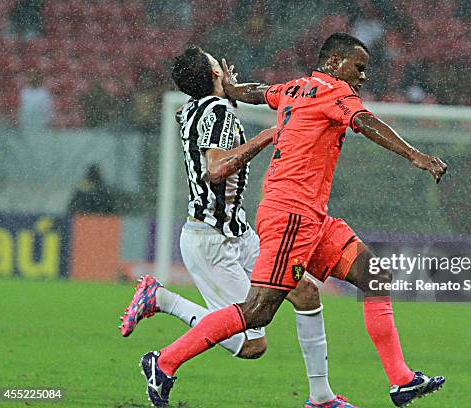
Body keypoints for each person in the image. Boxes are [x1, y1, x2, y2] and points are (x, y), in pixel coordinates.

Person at [139, 33, 448, 407]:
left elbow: (259, 92)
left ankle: (399, 380)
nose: (363, 76)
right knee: (257, 311)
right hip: (291, 215)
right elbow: (364, 121)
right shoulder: (336, 91)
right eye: (360, 67)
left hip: (312, 216)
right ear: (334, 63)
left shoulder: (297, 88)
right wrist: (414, 155)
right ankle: (165, 362)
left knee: (374, 274)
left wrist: (233, 88)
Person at [122, 46, 356, 408]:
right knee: (252, 343)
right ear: (214, 74)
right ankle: (163, 313)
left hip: (239, 232)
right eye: (216, 61)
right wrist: (268, 136)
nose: (222, 63)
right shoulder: (214, 110)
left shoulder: (196, 108)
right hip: (211, 241)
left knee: (306, 292)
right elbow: (216, 168)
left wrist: (229, 91)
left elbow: (194, 121)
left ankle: (321, 397)